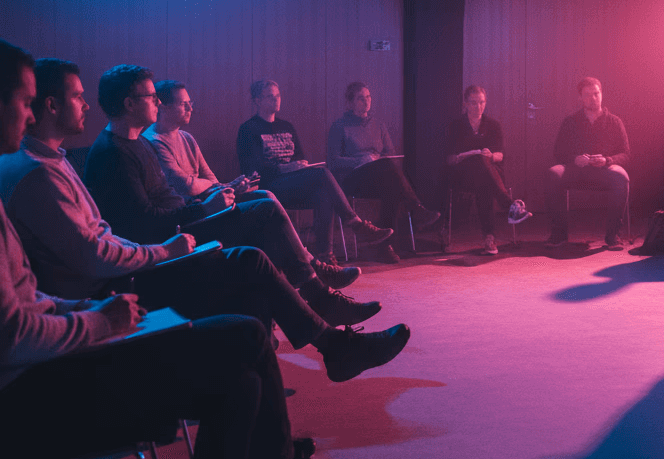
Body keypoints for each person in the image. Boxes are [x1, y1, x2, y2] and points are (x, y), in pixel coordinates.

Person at [0, 39, 351, 459]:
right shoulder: (32, 173)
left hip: (87, 318)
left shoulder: (50, 164)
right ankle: (313, 377)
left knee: (245, 327)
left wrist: (83, 309)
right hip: (39, 386)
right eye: (24, 101)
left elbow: (31, 294)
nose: (27, 113)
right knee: (246, 303)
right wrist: (98, 317)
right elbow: (31, 315)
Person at [0, 58, 411, 382]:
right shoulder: (97, 156)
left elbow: (111, 230)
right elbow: (131, 230)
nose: (86, 105)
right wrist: (181, 233)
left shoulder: (77, 157)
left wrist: (210, 201)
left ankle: (310, 347)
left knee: (256, 244)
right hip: (141, 268)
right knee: (258, 231)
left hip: (156, 248)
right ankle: (322, 316)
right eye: (152, 97)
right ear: (129, 103)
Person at [81, 64, 391, 330]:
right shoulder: (116, 153)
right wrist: (202, 207)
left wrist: (221, 192)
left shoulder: (139, 143)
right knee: (265, 214)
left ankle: (316, 289)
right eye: (152, 97)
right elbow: (150, 217)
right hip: (177, 236)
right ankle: (317, 286)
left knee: (268, 206)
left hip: (191, 215)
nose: (157, 102)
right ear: (130, 104)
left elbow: (192, 187)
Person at [144, 79, 362, 289]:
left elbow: (210, 179)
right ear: (163, 107)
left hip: (210, 200)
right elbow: (186, 186)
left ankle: (312, 267)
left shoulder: (186, 138)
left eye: (190, 103)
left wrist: (229, 186)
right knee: (270, 202)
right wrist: (214, 187)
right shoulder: (154, 141)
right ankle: (314, 267)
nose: (190, 108)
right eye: (184, 104)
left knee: (267, 196)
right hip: (192, 212)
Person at [235, 80, 393, 264]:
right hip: (269, 186)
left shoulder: (286, 126)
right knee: (322, 174)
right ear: (257, 101)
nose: (276, 100)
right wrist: (284, 168)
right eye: (270, 96)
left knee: (323, 193)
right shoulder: (248, 129)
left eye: (278, 95)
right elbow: (252, 170)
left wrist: (299, 165)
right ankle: (356, 224)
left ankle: (326, 256)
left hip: (293, 183)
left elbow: (300, 156)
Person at [327, 82, 440, 263]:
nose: (366, 102)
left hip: (377, 175)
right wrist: (360, 160)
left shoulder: (378, 124)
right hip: (353, 178)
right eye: (360, 98)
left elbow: (391, 153)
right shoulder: (340, 126)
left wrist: (376, 160)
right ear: (350, 103)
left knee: (391, 186)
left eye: (368, 97)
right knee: (388, 172)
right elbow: (333, 162)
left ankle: (385, 246)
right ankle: (416, 208)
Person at [545, 77, 631, 248]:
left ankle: (613, 236)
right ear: (580, 98)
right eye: (588, 95)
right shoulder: (570, 122)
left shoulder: (614, 121)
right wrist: (574, 159)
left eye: (597, 93)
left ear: (602, 94)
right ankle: (559, 234)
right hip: (576, 169)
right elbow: (558, 152)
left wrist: (607, 160)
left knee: (621, 177)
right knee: (554, 174)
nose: (593, 98)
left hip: (603, 170)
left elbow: (626, 154)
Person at [445, 84, 531, 255]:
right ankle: (507, 210)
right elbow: (449, 159)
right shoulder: (456, 126)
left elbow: (501, 155)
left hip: (488, 175)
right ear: (465, 104)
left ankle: (490, 237)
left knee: (483, 175)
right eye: (474, 103)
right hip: (463, 175)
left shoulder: (493, 125)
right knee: (481, 172)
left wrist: (491, 156)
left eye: (482, 102)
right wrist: (462, 156)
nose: (478, 107)